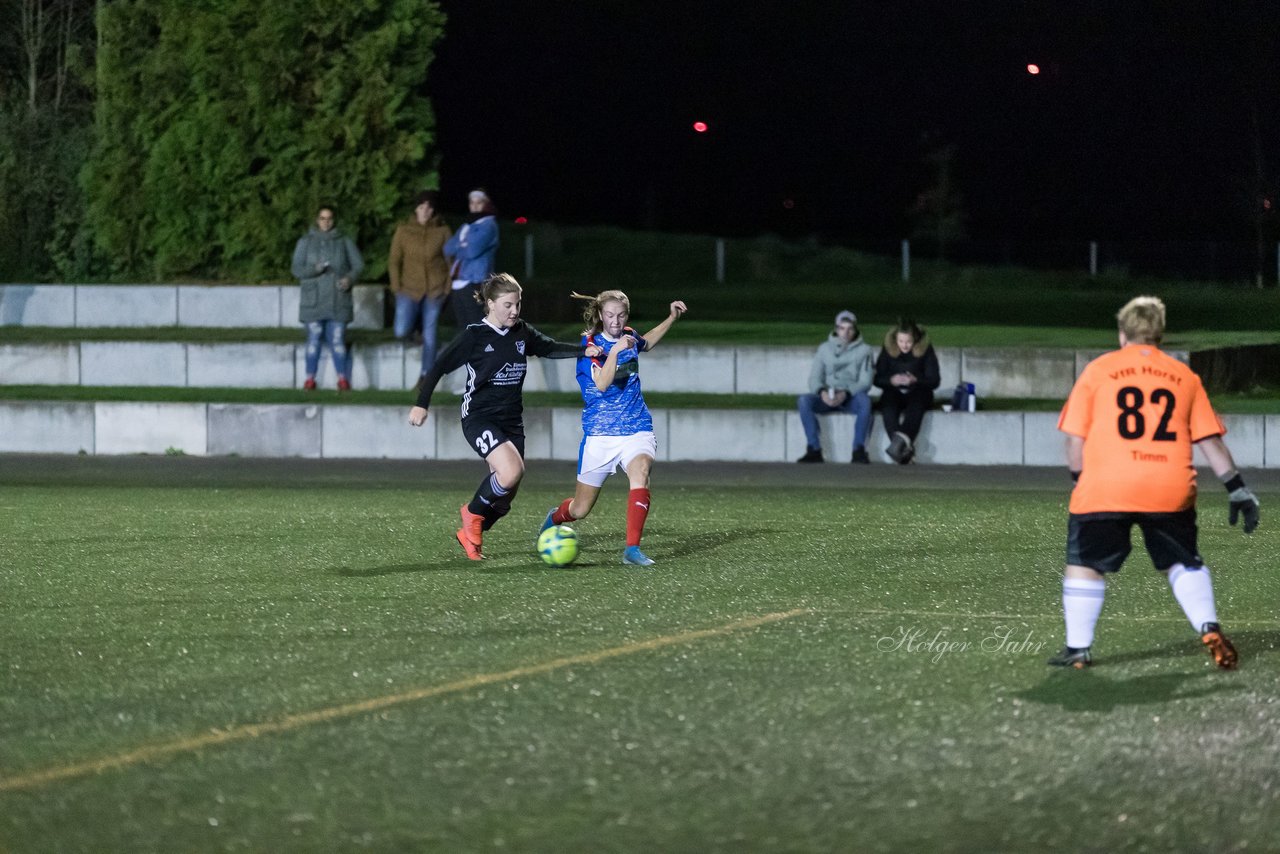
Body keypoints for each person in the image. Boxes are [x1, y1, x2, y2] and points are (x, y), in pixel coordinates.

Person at [1049, 295, 1259, 670]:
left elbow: (1074, 441)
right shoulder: (1184, 376)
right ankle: (1208, 625)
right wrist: (1237, 488)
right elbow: (1210, 441)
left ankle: (1078, 649)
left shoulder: (1098, 371)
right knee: (1181, 561)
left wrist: (1081, 478)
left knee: (1085, 563)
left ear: (1121, 333)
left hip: (1106, 485)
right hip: (1168, 486)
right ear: (1160, 335)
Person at [408, 273, 602, 561]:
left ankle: (470, 533)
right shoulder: (475, 335)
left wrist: (583, 351)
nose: (514, 311)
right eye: (508, 305)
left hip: (512, 421)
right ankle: (471, 513)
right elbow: (439, 366)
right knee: (510, 472)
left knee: (504, 499)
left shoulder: (521, 331)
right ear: (490, 304)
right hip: (479, 417)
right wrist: (421, 404)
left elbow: (548, 347)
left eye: (518, 304)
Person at [540, 290, 688, 567]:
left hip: (636, 428)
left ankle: (632, 550)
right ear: (600, 316)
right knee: (580, 509)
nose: (616, 321)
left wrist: (671, 318)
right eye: (609, 315)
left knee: (641, 472)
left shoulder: (629, 335)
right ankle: (556, 517)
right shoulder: (590, 346)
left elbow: (647, 343)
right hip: (599, 435)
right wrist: (616, 351)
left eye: (620, 315)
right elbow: (602, 384)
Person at [291, 205, 364, 391]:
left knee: (337, 339)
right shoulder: (306, 242)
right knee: (313, 339)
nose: (326, 222)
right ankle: (309, 378)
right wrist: (314, 269)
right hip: (313, 301)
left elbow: (359, 266)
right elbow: (296, 269)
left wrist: (349, 278)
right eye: (322, 218)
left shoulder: (344, 241)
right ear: (317, 220)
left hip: (338, 299)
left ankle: (342, 379)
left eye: (329, 218)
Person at [388, 190, 453, 389]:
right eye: (422, 207)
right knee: (400, 330)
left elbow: (451, 261)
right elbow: (394, 261)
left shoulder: (442, 232)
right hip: (409, 288)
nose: (425, 211)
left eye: (429, 208)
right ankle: (415, 328)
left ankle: (425, 376)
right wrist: (396, 287)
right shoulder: (403, 231)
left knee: (431, 335)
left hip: (435, 289)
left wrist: (447, 288)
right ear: (416, 209)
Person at [796, 309, 875, 464]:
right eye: (842, 328)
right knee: (804, 401)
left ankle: (858, 450)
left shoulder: (865, 350)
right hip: (829, 395)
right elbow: (814, 378)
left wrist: (845, 393)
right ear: (836, 329)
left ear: (855, 329)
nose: (846, 333)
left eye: (850, 328)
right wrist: (822, 392)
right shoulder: (824, 349)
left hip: (850, 396)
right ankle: (814, 448)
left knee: (865, 401)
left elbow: (865, 381)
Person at [873, 318, 940, 464]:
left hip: (919, 391)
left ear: (915, 339)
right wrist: (891, 380)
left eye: (908, 341)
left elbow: (934, 380)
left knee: (915, 409)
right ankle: (904, 452)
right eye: (901, 341)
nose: (904, 345)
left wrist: (916, 379)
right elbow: (877, 378)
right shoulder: (888, 349)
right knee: (888, 409)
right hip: (893, 391)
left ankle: (899, 448)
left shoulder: (926, 350)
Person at [444, 188, 499, 332]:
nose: (474, 206)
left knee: (477, 325)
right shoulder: (466, 226)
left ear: (485, 204)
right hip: (458, 281)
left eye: (479, 202)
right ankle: (470, 354)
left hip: (475, 281)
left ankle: (484, 354)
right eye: (472, 202)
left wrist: (460, 245)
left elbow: (472, 251)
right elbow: (447, 248)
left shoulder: (488, 225)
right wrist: (463, 244)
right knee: (463, 327)